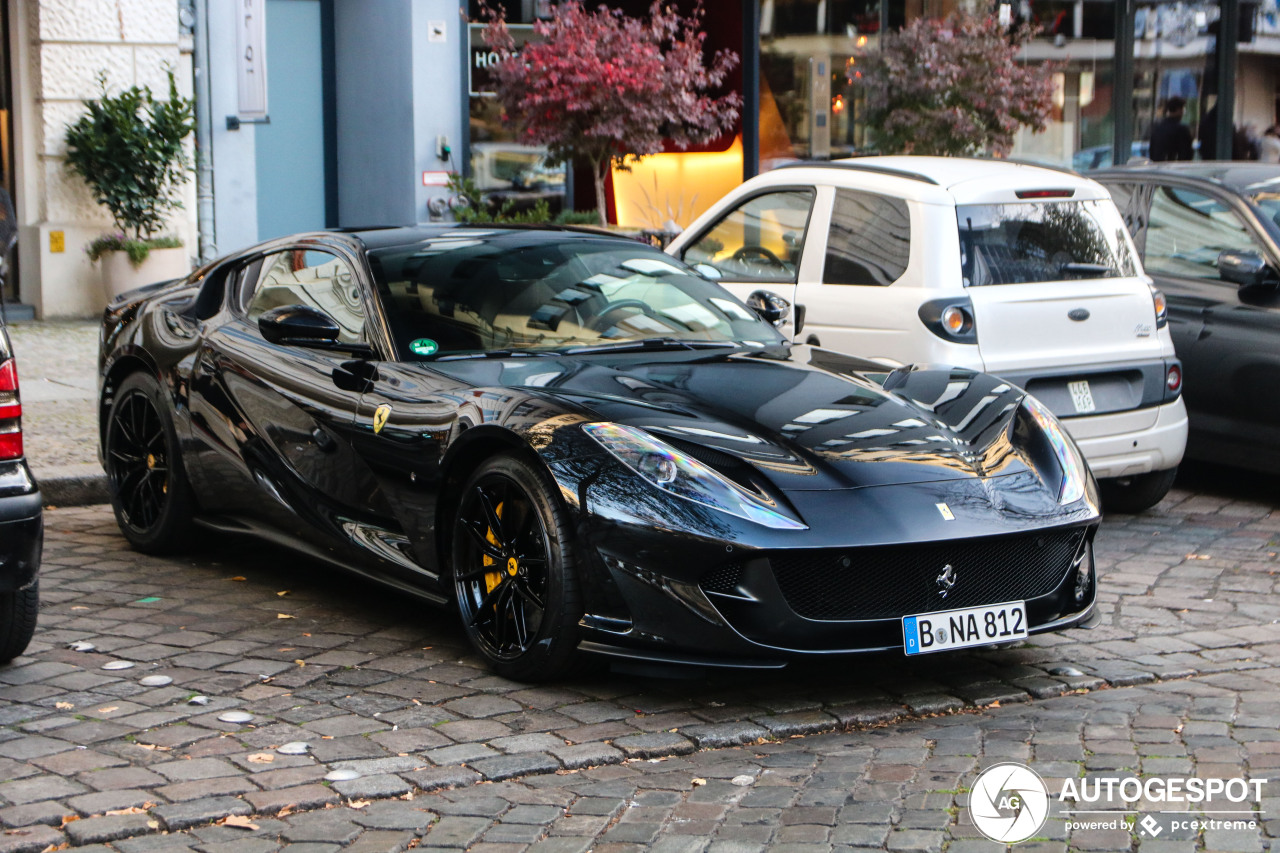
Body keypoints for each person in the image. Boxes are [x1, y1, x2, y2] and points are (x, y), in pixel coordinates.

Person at [1149, 96, 1194, 161]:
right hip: (1174, 168)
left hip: (1158, 167)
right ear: (1179, 110)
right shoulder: (1181, 130)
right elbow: (1186, 155)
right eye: (1182, 110)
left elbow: (1152, 152)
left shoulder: (1157, 129)